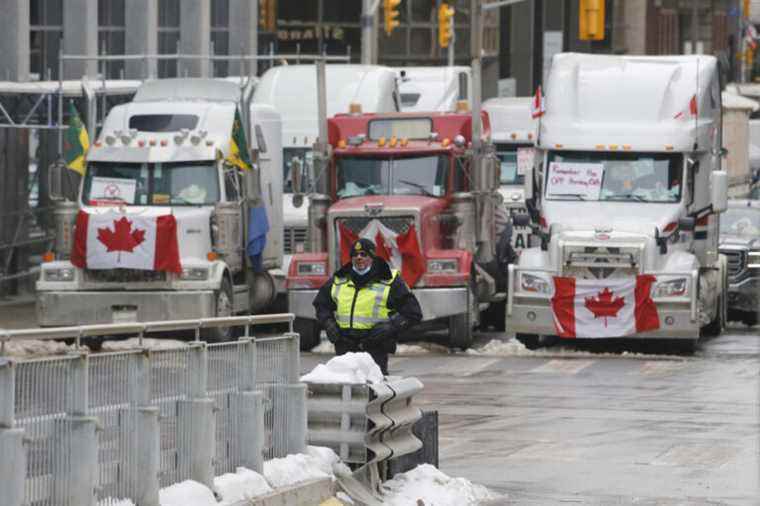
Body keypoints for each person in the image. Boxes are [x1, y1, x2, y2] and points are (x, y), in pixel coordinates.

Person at [313, 238, 422, 375]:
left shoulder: (389, 281)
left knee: (373, 391)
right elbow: (321, 305)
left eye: (364, 254)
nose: (359, 258)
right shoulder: (339, 280)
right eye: (355, 255)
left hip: (374, 347)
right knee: (346, 391)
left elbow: (413, 313)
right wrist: (328, 323)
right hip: (345, 347)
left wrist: (391, 326)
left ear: (372, 257)